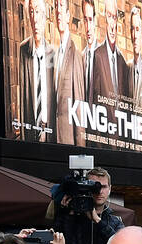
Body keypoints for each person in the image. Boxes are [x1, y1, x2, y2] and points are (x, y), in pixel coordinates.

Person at [17, 0, 53, 142]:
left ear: (44, 17)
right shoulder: (23, 49)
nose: (35, 18)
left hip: (48, 129)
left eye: (37, 12)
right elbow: (22, 94)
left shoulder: (52, 53)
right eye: (31, 12)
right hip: (30, 128)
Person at [51, 0, 85, 145]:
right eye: (56, 7)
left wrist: (81, 149)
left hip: (69, 142)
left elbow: (79, 107)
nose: (58, 12)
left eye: (62, 8)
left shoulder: (75, 55)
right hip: (54, 141)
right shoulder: (56, 53)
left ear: (68, 15)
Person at [91, 0, 130, 103]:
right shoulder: (97, 56)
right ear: (104, 20)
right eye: (109, 16)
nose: (112, 25)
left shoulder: (123, 63)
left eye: (114, 17)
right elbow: (93, 98)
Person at [127, 5, 142, 115]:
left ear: (141, 33)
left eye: (138, 29)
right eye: (133, 29)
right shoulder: (126, 68)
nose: (135, 35)